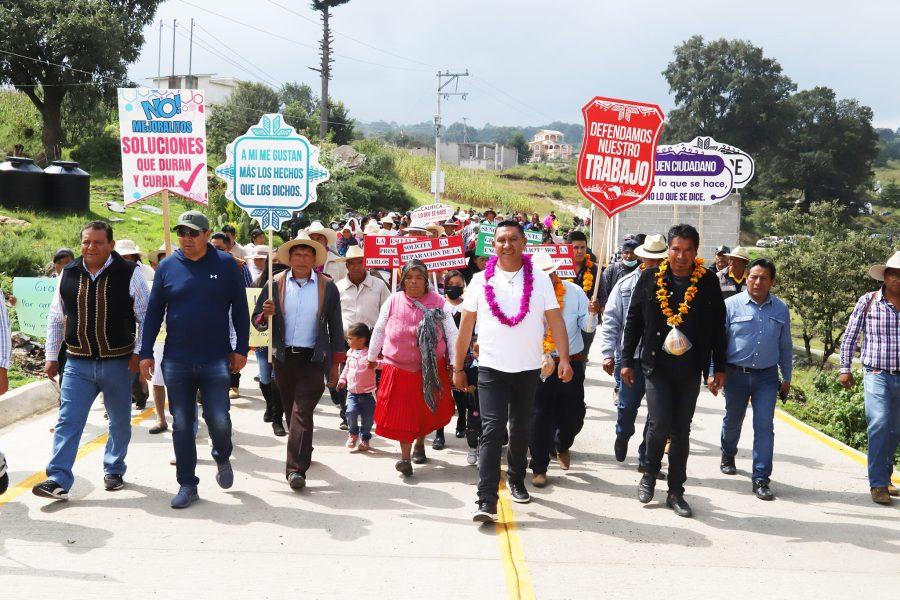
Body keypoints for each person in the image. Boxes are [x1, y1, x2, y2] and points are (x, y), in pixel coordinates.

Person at [454, 221, 572, 523]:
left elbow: (555, 320)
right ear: (493, 245)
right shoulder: (480, 280)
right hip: (491, 367)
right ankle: (486, 498)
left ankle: (518, 478)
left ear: (523, 244)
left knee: (520, 429)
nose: (507, 245)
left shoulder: (541, 281)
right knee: (492, 431)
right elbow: (466, 326)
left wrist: (564, 359)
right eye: (501, 240)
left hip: (528, 368)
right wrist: (458, 367)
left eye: (513, 239)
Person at [140, 211, 250, 509]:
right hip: (177, 359)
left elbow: (240, 309)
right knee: (182, 423)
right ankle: (187, 483)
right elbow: (153, 313)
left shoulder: (226, 265)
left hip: (216, 358)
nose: (186, 239)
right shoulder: (166, 267)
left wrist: (241, 348)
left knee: (218, 419)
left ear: (206, 234)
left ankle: (222, 454)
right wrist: (145, 351)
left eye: (193, 233)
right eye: (182, 233)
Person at [32, 222, 149, 501]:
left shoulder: (130, 273)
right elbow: (55, 318)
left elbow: (145, 317)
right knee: (68, 421)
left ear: (111, 244)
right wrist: (51, 356)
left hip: (118, 362)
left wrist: (139, 354)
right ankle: (58, 478)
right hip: (77, 363)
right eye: (86, 242)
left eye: (97, 242)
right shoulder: (68, 273)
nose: (90, 247)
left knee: (119, 422)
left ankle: (114, 468)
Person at [622, 224, 727, 518]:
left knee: (681, 430)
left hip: (690, 368)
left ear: (696, 252)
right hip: (656, 365)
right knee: (658, 424)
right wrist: (626, 360)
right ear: (668, 249)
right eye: (676, 249)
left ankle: (676, 491)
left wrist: (718, 368)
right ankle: (649, 474)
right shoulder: (650, 277)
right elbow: (634, 322)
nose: (681, 256)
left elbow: (719, 328)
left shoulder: (706, 280)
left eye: (687, 250)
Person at [252, 235, 345, 491]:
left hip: (314, 359)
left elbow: (336, 329)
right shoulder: (274, 284)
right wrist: (264, 314)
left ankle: (295, 470)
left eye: (307, 255)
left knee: (302, 411)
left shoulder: (327, 287)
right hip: (283, 358)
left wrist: (335, 366)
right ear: (289, 259)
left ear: (315, 260)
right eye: (297, 255)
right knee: (293, 410)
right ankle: (304, 446)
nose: (302, 259)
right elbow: (257, 321)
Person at [369, 260, 458, 476]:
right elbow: (380, 329)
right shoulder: (393, 300)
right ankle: (405, 457)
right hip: (397, 367)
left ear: (427, 280)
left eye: (419, 278)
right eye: (409, 277)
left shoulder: (439, 302)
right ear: (402, 280)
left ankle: (420, 443)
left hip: (430, 369)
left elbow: (451, 333)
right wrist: (372, 356)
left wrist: (455, 364)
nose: (413, 282)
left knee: (425, 410)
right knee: (402, 415)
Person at [719, 258, 792, 501]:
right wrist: (713, 372)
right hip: (735, 375)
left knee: (764, 426)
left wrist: (787, 378)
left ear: (772, 281)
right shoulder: (731, 305)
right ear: (747, 278)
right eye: (753, 277)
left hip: (767, 377)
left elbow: (785, 346)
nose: (757, 282)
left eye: (763, 278)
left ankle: (761, 478)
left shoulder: (781, 309)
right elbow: (718, 343)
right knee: (733, 420)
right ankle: (728, 452)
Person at [528, 252, 599, 487]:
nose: (547, 279)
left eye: (550, 274)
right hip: (537, 364)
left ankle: (562, 443)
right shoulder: (526, 295)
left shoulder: (574, 292)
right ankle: (539, 467)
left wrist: (592, 312)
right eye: (541, 275)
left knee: (574, 414)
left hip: (571, 361)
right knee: (539, 416)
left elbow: (587, 328)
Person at [600, 234, 667, 477]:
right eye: (650, 258)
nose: (655, 264)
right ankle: (622, 434)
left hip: (662, 360)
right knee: (627, 407)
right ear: (641, 257)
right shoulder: (626, 284)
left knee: (657, 414)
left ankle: (646, 458)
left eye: (659, 259)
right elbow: (611, 320)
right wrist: (608, 353)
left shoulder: (673, 285)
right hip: (630, 359)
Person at [839, 250, 900, 505]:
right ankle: (877, 485)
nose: (898, 279)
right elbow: (851, 335)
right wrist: (845, 368)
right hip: (876, 373)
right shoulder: (869, 301)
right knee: (880, 422)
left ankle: (885, 477)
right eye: (893, 274)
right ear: (884, 277)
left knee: (894, 430)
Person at [334, 245, 391, 429]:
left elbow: (388, 311)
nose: (356, 266)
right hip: (347, 340)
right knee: (348, 376)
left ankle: (374, 414)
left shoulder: (379, 285)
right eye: (352, 263)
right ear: (347, 265)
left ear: (365, 263)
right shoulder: (339, 287)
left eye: (360, 262)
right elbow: (334, 314)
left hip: (373, 340)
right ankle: (347, 415)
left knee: (374, 379)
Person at [433, 270, 471, 450]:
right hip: (442, 356)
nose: (454, 288)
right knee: (441, 395)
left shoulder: (468, 307)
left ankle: (461, 420)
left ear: (463, 287)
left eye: (458, 285)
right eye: (451, 284)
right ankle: (439, 433)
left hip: (462, 355)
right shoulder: (439, 306)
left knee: (460, 393)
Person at [251, 256, 287, 438]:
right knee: (265, 375)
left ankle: (277, 416)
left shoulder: (287, 284)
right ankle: (270, 404)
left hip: (281, 341)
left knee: (276, 377)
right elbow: (253, 312)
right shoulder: (258, 283)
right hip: (261, 339)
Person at [337, 323, 377, 452]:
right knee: (350, 412)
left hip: (368, 394)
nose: (347, 340)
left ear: (361, 339)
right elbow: (346, 369)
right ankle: (353, 434)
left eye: (350, 338)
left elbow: (382, 365)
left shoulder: (371, 354)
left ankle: (365, 439)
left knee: (368, 420)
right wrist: (342, 380)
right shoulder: (350, 353)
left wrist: (375, 364)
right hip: (352, 393)